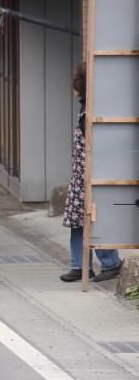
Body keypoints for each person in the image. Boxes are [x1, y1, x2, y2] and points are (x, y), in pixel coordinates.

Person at [61, 63, 121, 282]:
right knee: (79, 221)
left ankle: (111, 262)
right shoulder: (87, 107)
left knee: (96, 218)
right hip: (81, 176)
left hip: (93, 174)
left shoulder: (93, 109)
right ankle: (79, 265)